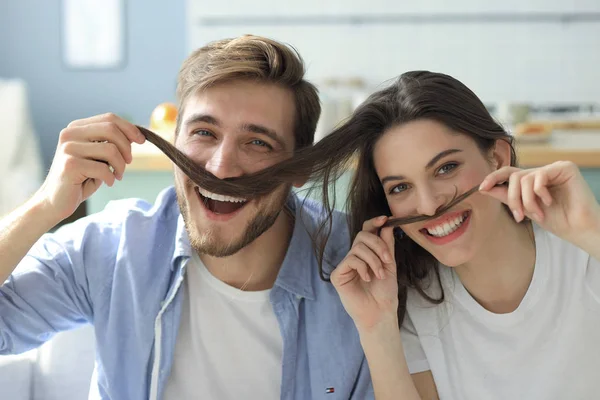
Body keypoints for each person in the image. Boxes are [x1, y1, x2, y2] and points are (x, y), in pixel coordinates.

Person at [0, 35, 375, 400]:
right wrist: (45, 206)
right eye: (204, 132)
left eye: (258, 142)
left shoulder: (359, 270)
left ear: (301, 168)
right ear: (175, 139)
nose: (221, 167)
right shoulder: (114, 248)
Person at [319, 71, 600, 399]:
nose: (428, 204)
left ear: (497, 158)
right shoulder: (415, 304)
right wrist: (376, 328)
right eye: (400, 187)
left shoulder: (585, 256)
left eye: (445, 168)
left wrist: (592, 233)